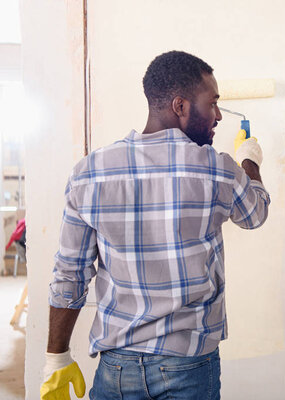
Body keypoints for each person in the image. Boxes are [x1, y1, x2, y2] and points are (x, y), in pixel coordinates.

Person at [41, 50, 270, 400]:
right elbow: (255, 214)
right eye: (212, 104)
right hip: (188, 365)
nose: (219, 115)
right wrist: (250, 162)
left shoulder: (89, 173)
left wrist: (56, 358)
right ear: (180, 106)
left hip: (117, 367)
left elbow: (70, 273)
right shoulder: (218, 169)